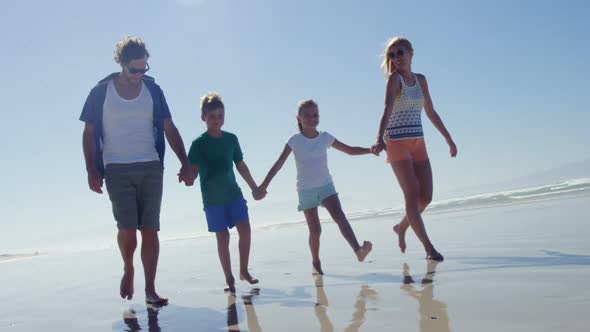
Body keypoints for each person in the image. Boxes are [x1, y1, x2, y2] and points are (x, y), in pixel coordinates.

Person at [80, 36, 193, 305]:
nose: (139, 74)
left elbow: (169, 128)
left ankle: (150, 289)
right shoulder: (100, 92)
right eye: (134, 69)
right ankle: (128, 267)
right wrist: (91, 169)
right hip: (116, 168)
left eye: (144, 69)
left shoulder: (154, 91)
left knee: (150, 228)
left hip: (151, 165)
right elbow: (89, 132)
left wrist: (185, 163)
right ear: (121, 64)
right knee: (128, 227)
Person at [258, 99, 374, 275]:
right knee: (315, 229)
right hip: (305, 190)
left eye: (315, 115)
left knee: (339, 216)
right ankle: (316, 261)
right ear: (299, 118)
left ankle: (358, 251)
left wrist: (369, 150)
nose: (312, 119)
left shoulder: (325, 137)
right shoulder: (294, 140)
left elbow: (349, 150)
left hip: (326, 185)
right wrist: (264, 185)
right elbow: (279, 163)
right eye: (307, 116)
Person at [371, 37, 457, 261]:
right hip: (396, 142)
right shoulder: (394, 80)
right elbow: (387, 109)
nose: (397, 58)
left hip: (418, 141)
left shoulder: (421, 80)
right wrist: (379, 138)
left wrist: (448, 139)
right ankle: (429, 249)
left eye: (400, 52)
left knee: (425, 197)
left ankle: (401, 227)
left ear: (411, 53)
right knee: (411, 195)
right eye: (392, 55)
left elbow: (431, 112)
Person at [187, 92, 260, 293]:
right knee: (223, 238)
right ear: (203, 117)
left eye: (220, 115)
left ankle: (243, 270)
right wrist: (187, 177)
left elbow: (241, 166)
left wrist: (254, 187)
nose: (217, 120)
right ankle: (229, 276)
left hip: (233, 194)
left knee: (245, 230)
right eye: (212, 116)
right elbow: (192, 172)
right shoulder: (198, 144)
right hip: (213, 199)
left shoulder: (231, 139)